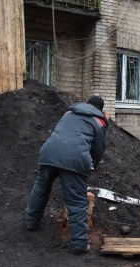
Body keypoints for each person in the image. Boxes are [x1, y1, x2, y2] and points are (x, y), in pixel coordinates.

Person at [25, 96, 108, 255]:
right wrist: (91, 166)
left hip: (48, 153)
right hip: (74, 159)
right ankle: (79, 245)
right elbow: (98, 150)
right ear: (100, 109)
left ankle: (30, 222)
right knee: (77, 201)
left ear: (87, 104)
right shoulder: (99, 121)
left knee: (41, 188)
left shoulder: (70, 112)